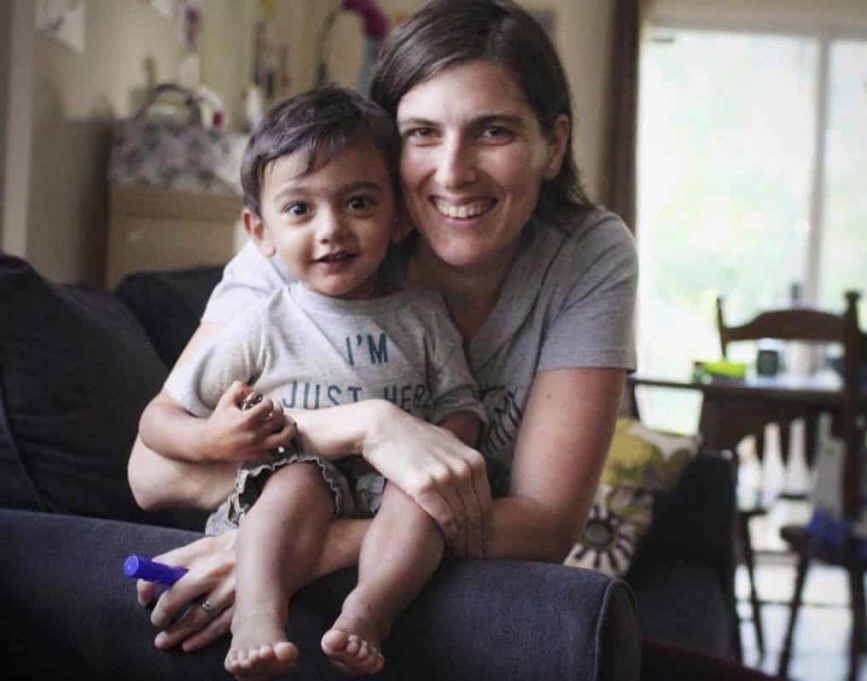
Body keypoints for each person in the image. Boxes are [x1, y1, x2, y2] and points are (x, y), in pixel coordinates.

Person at [127, 0, 637, 667]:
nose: (453, 171)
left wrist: (295, 551)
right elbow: (153, 472)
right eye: (422, 133)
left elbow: (545, 524)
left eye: (493, 131)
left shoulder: (586, 254)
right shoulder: (307, 242)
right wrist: (367, 426)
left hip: (412, 587)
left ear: (555, 145)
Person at [137, 87, 486, 678]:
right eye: (300, 209)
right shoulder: (263, 322)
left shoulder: (424, 317)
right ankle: (257, 618)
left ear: (400, 217)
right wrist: (213, 439)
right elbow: (158, 419)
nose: (332, 230)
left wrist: (443, 450)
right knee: (298, 479)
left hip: (386, 492)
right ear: (260, 230)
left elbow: (461, 403)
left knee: (421, 499)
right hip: (288, 490)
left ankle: (368, 615)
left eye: (358, 203)